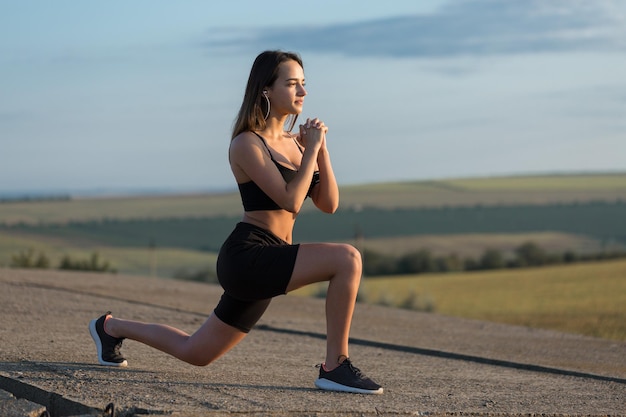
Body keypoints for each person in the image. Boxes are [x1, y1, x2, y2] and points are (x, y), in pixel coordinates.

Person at [89, 50, 383, 395]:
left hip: (274, 256)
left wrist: (321, 151)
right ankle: (334, 366)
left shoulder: (297, 144)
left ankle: (110, 327)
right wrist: (311, 152)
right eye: (292, 84)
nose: (302, 92)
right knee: (347, 258)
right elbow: (289, 199)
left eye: (304, 84)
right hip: (248, 257)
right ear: (266, 90)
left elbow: (329, 204)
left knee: (196, 352)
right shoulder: (247, 143)